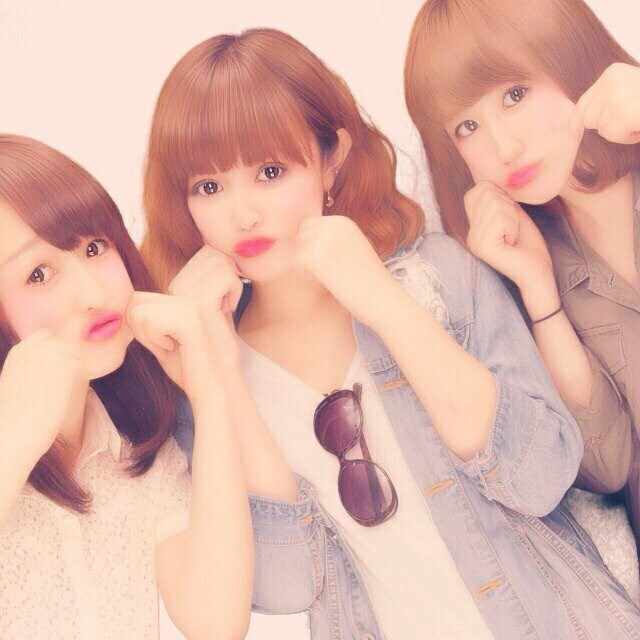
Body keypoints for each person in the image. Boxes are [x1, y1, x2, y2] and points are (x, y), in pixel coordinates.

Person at [141, 28, 640, 639]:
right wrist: (219, 380)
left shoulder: (437, 276)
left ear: (331, 158)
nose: (243, 214)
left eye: (270, 171)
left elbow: (540, 477)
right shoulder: (206, 371)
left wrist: (379, 297)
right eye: (209, 187)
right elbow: (288, 584)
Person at [404, 0, 640, 599]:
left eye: (514, 94)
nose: (503, 146)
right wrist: (540, 295)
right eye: (466, 127)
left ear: (571, 57)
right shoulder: (525, 265)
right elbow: (608, 466)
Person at [0, 134, 253, 640]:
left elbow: (216, 623)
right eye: (39, 274)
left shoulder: (129, 445)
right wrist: (16, 439)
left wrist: (208, 391)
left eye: (94, 248)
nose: (93, 293)